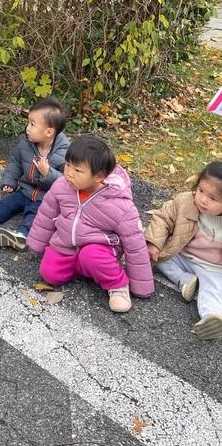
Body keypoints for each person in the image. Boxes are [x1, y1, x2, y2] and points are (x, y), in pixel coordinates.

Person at [27, 135, 154, 313]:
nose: (69, 173)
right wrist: (36, 245)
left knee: (92, 256)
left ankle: (117, 285)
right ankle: (82, 267)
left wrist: (142, 286)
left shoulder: (118, 202)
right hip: (66, 245)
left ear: (99, 177)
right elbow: (46, 216)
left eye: (78, 170)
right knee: (49, 274)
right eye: (68, 165)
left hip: (99, 248)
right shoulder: (61, 186)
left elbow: (135, 242)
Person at [0, 97, 69, 250]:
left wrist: (48, 173)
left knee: (34, 216)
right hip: (25, 190)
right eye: (28, 122)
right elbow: (15, 163)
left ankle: (21, 235)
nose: (27, 128)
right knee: (6, 204)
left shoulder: (65, 152)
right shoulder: (26, 143)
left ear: (49, 132)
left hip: (45, 198)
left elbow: (66, 182)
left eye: (32, 124)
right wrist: (9, 182)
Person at [145, 162, 222, 340]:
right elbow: (163, 219)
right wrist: (154, 243)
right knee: (156, 255)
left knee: (213, 288)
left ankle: (211, 318)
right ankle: (184, 280)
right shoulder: (185, 202)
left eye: (213, 198)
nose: (203, 199)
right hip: (180, 253)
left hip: (211, 267)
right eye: (201, 191)